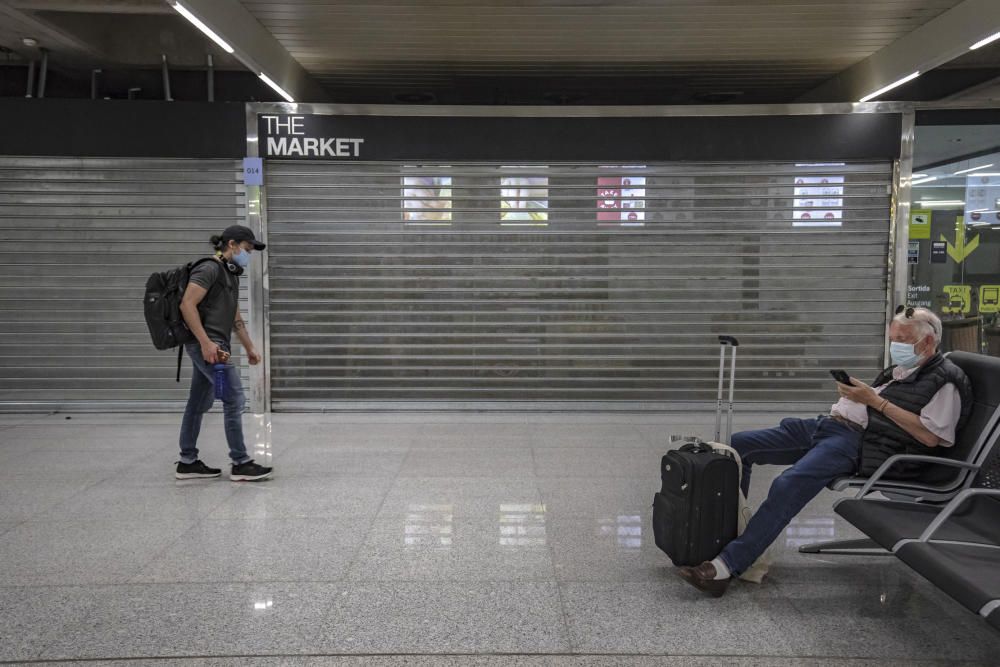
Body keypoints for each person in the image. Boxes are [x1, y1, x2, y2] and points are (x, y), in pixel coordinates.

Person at [678, 306, 972, 597]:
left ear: (929, 341)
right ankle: (723, 535)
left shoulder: (945, 381)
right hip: (829, 426)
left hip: (859, 443)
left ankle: (728, 563)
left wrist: (873, 400)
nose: (895, 346)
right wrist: (859, 395)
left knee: (788, 483)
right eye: (892, 338)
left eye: (903, 340)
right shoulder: (903, 369)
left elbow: (932, 436)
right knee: (737, 446)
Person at [174, 225, 273, 482]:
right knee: (235, 399)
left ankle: (187, 462)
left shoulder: (229, 273)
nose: (247, 255)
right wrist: (206, 343)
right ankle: (240, 462)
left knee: (197, 403)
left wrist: (250, 346)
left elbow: (234, 316)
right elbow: (187, 304)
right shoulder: (208, 268)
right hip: (209, 345)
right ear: (232, 244)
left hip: (216, 343)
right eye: (247, 249)